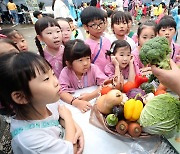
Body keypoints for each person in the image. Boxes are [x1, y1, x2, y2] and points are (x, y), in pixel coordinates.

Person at [0, 51, 84, 154]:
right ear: (21, 97)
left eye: (53, 74)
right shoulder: (29, 139)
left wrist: (76, 128)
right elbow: (71, 151)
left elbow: (59, 114)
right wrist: (69, 120)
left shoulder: (46, 103)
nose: (56, 81)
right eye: (46, 79)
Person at [59, 39, 107, 113]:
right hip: (76, 110)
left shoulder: (93, 69)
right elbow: (61, 92)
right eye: (80, 60)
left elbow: (106, 84)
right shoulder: (66, 72)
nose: (85, 63)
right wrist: (76, 102)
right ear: (69, 63)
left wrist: (91, 96)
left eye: (87, 58)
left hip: (94, 105)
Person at [80, 6, 111, 73]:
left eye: (101, 23)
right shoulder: (86, 46)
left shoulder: (107, 40)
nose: (99, 28)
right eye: (94, 25)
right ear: (85, 27)